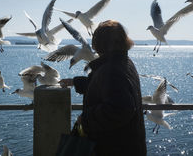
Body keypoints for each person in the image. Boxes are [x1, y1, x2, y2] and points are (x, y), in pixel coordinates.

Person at [60, 20, 147, 156]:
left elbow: (120, 109)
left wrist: (86, 119)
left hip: (114, 147)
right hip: (129, 144)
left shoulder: (111, 69)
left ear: (99, 44)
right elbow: (103, 87)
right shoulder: (124, 62)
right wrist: (75, 82)